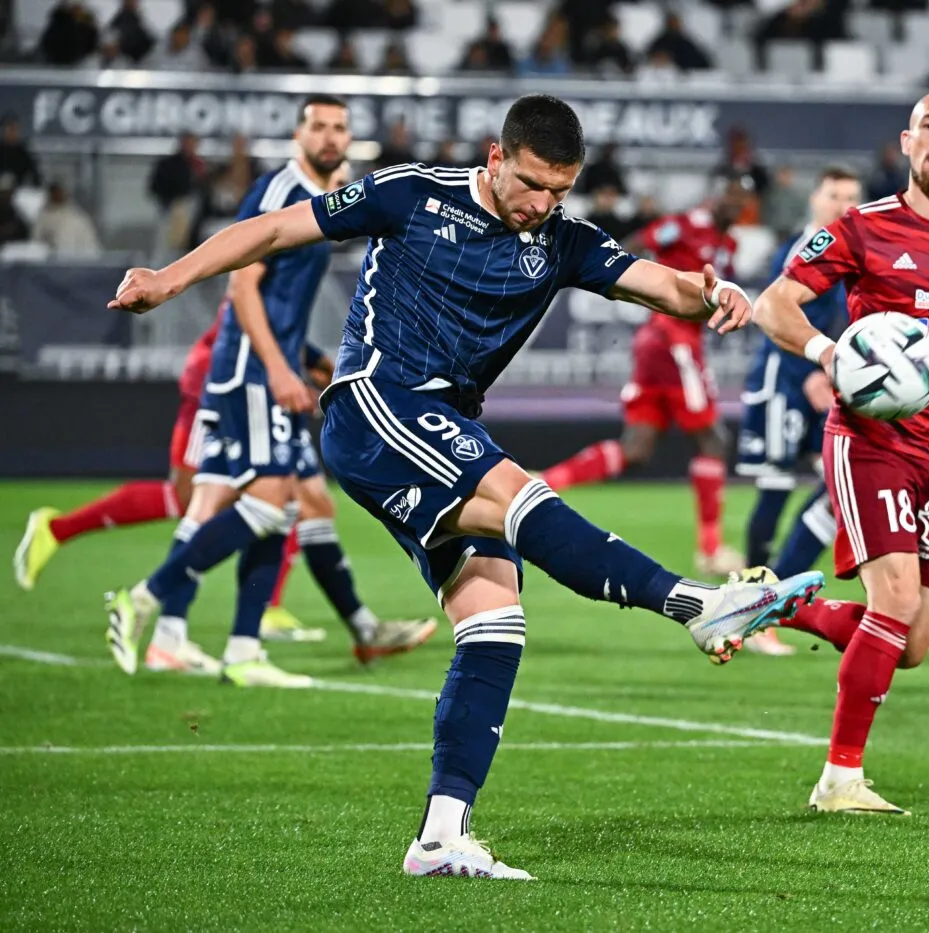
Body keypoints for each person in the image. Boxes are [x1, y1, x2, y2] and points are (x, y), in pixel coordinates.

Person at [103, 93, 825, 879]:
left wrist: (711, 292)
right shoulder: (412, 191)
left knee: (494, 617)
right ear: (495, 158)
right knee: (518, 493)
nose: (542, 204)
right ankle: (697, 604)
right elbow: (277, 229)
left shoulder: (562, 240)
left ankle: (440, 834)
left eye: (560, 190)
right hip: (379, 401)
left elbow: (658, 283)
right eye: (530, 184)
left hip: (444, 426)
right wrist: (170, 278)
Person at [101, 95, 436, 685]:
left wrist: (307, 359)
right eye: (320, 127)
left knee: (274, 508)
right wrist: (280, 369)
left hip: (268, 365)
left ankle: (241, 650)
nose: (331, 138)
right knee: (265, 501)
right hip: (251, 371)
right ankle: (146, 598)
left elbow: (281, 301)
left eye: (340, 129)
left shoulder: (322, 201)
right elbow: (243, 290)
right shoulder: (282, 192)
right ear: (297, 135)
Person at [751, 90, 929, 815]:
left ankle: (775, 601)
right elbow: (775, 303)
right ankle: (840, 779)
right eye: (928, 125)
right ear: (906, 143)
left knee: (912, 640)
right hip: (868, 439)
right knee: (895, 601)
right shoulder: (861, 227)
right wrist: (829, 352)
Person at [541, 182, 749, 576]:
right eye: (731, 198)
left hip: (663, 344)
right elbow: (631, 244)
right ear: (716, 195)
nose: (736, 207)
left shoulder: (729, 244)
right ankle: (710, 550)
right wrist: (638, 288)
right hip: (672, 340)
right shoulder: (683, 225)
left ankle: (543, 483)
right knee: (714, 439)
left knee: (637, 448)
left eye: (743, 202)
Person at [737, 166, 863, 656]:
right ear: (816, 198)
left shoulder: (848, 251)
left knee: (835, 480)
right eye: (834, 195)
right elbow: (776, 315)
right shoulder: (804, 249)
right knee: (774, 487)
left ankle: (780, 593)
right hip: (783, 383)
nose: (843, 205)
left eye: (852, 197)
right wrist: (809, 372)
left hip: (819, 381)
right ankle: (750, 610)